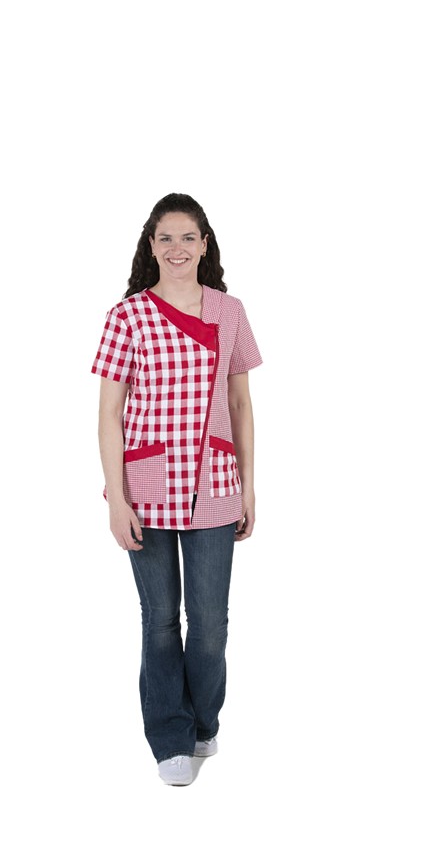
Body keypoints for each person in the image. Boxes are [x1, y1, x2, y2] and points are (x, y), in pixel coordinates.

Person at [91, 192, 262, 787]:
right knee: (160, 619)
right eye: (165, 237)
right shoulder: (127, 316)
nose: (177, 248)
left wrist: (249, 488)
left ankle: (203, 724)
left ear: (205, 244)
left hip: (215, 480)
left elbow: (240, 403)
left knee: (210, 623)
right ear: (151, 245)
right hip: (145, 484)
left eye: (188, 237)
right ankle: (169, 736)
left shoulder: (229, 312)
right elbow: (109, 413)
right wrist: (116, 498)